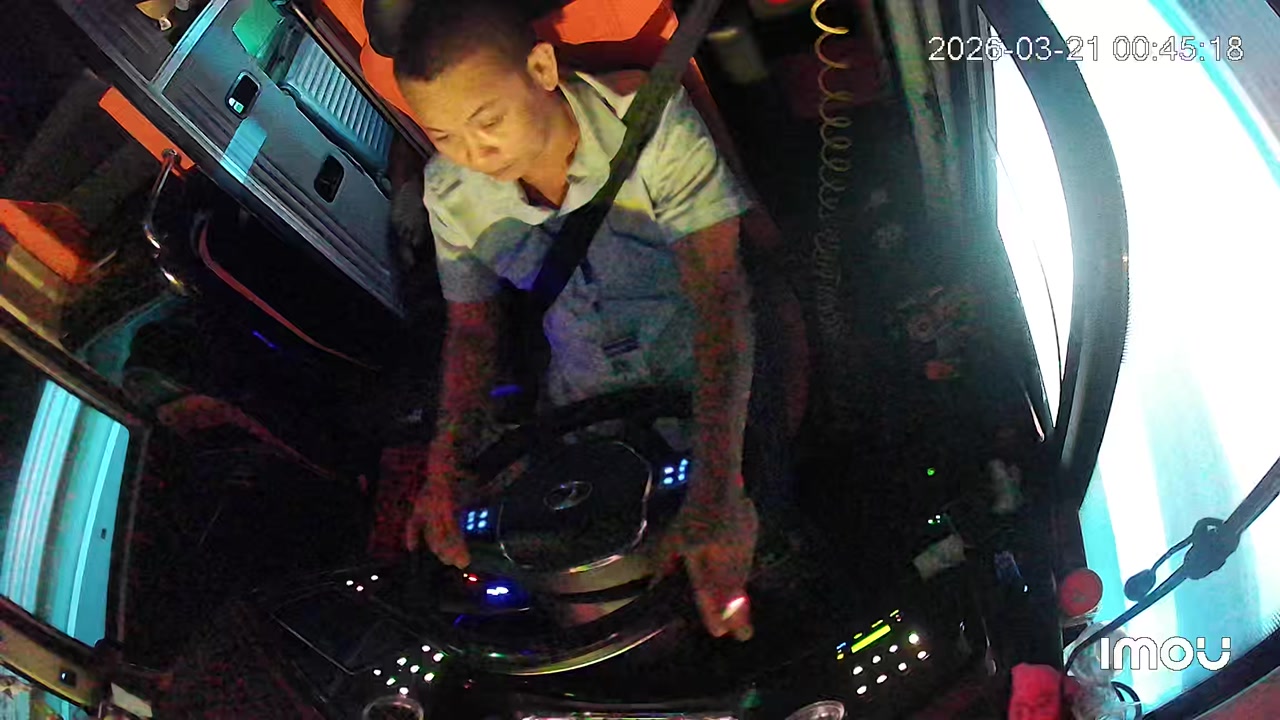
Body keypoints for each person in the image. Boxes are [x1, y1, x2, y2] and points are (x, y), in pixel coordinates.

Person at [394, 0, 758, 641]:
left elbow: (719, 298)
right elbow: (473, 332)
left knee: (718, 575)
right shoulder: (450, 192)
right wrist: (444, 470)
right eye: (444, 136)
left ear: (541, 69)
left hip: (707, 385)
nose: (474, 153)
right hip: (584, 413)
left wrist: (717, 483)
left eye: (488, 122)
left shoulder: (646, 122)